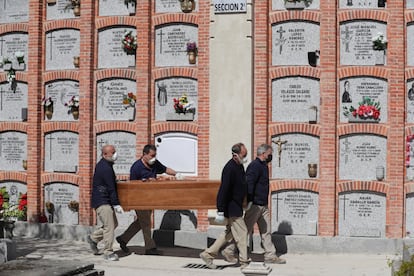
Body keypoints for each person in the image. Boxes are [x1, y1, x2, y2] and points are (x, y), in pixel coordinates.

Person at [221, 144, 286, 264]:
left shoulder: (264, 166)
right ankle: (229, 250)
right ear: (263, 154)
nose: (271, 156)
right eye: (269, 154)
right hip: (255, 204)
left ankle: (270, 255)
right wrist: (249, 201)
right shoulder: (254, 166)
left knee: (266, 231)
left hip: (263, 205)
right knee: (244, 230)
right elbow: (249, 184)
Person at [116, 144, 178, 255]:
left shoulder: (154, 163)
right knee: (146, 223)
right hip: (139, 199)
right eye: (152, 155)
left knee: (141, 222)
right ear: (144, 154)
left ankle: (123, 239)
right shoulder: (136, 167)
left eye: (155, 155)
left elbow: (165, 169)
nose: (154, 158)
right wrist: (146, 182)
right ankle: (150, 248)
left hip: (150, 199)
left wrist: (177, 174)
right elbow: (132, 185)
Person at [199, 143, 250, 269]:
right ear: (235, 155)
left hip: (237, 205)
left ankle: (208, 254)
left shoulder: (239, 166)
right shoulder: (229, 168)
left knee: (228, 233)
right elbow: (223, 190)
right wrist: (220, 210)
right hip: (232, 207)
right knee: (242, 233)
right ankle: (244, 261)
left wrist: (245, 201)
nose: (245, 157)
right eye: (244, 155)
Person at [87, 144, 124, 261]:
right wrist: (116, 204)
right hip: (102, 201)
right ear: (105, 154)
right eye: (112, 153)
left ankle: (93, 238)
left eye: (115, 151)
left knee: (113, 224)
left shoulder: (105, 164)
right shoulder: (105, 168)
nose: (115, 154)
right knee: (110, 226)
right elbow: (111, 187)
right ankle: (108, 252)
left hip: (104, 200)